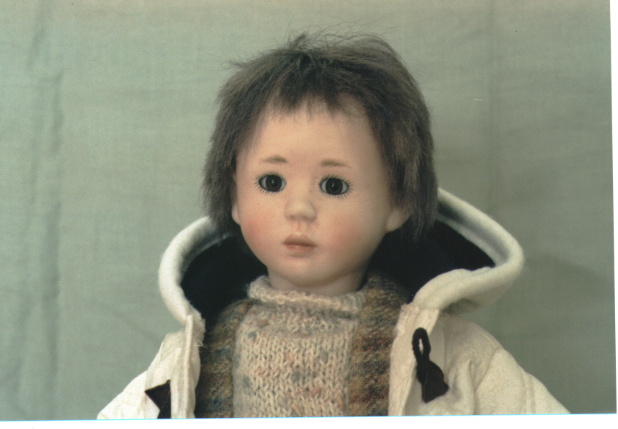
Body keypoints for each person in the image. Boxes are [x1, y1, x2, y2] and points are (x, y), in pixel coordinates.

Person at [98, 33, 568, 418]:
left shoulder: (453, 355)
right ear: (234, 197)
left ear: (398, 203)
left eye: (334, 186)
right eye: (271, 182)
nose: (299, 208)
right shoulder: (186, 360)